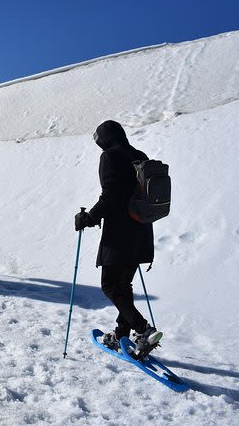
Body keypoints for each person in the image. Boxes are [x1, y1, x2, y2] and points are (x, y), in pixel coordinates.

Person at [75, 120, 162, 359]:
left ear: (106, 138)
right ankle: (122, 333)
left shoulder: (110, 156)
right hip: (142, 230)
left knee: (110, 286)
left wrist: (89, 217)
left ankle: (143, 330)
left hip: (120, 233)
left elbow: (111, 195)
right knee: (123, 286)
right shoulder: (139, 154)